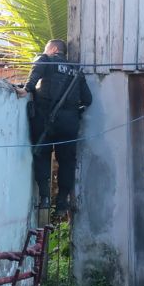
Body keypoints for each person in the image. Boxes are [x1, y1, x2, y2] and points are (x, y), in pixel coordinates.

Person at [18, 40, 92, 214]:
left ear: (54, 49)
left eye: (47, 49)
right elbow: (88, 100)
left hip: (44, 119)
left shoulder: (46, 59)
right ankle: (61, 202)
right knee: (67, 161)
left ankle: (44, 198)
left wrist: (26, 89)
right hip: (69, 123)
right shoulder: (77, 70)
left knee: (42, 155)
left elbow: (36, 70)